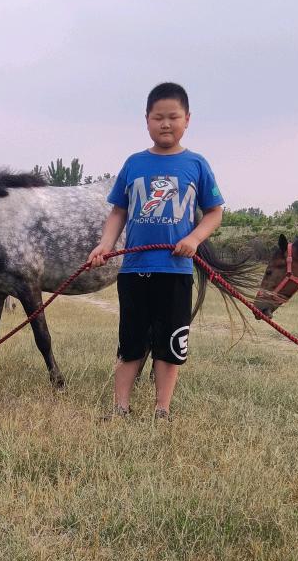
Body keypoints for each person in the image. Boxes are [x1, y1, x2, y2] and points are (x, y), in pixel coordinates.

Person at [87, 82, 225, 420]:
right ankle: (120, 407)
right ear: (146, 120)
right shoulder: (134, 164)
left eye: (173, 117)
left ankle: (162, 409)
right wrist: (105, 244)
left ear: (187, 119)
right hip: (134, 270)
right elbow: (118, 210)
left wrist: (193, 238)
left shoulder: (197, 164)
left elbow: (214, 212)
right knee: (131, 342)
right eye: (158, 117)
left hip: (175, 271)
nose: (166, 124)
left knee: (170, 344)